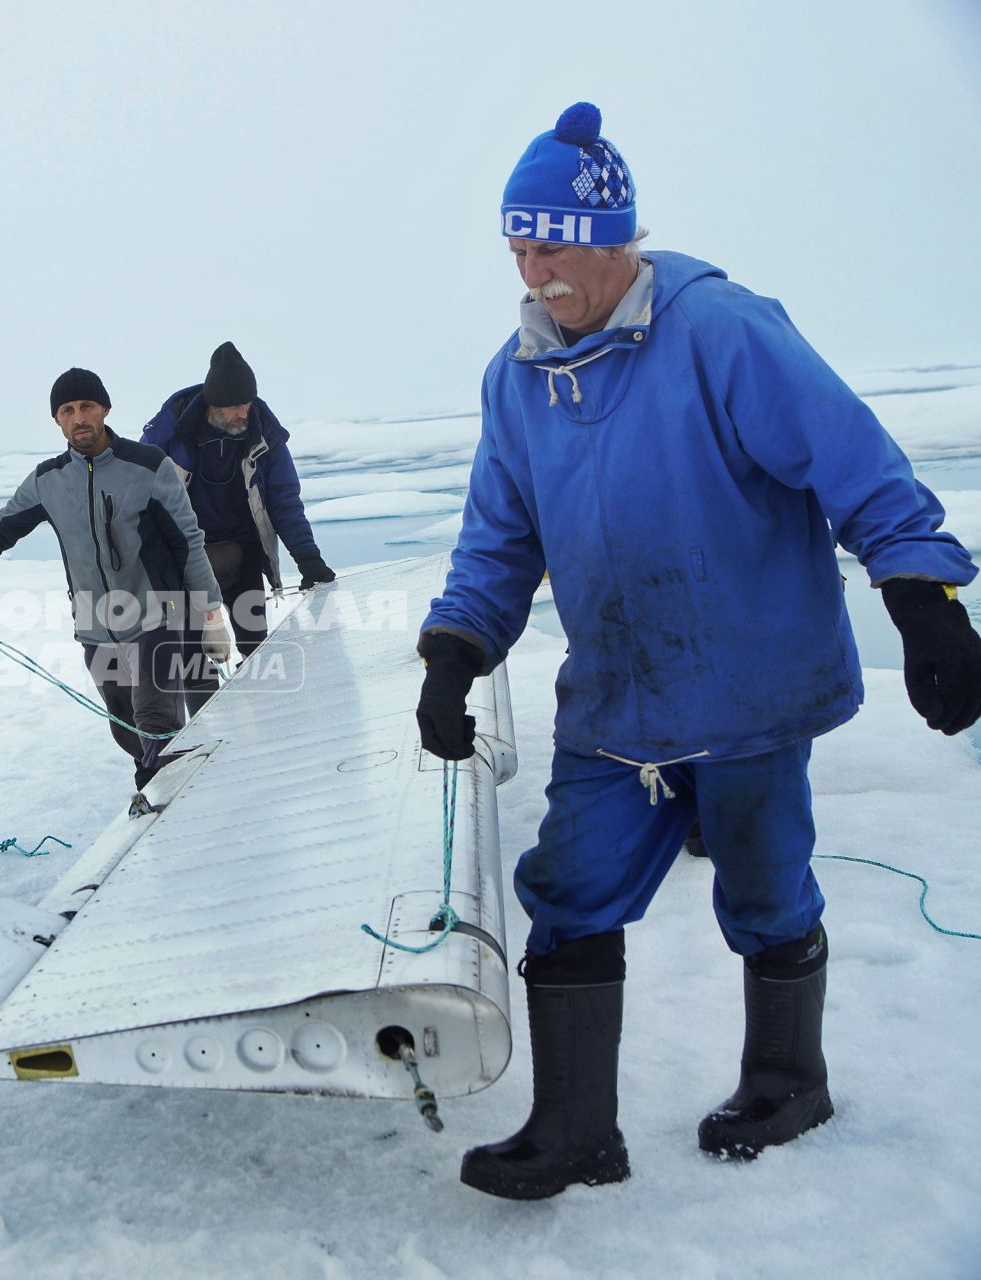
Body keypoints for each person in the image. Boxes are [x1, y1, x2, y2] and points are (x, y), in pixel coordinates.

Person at [416, 104, 981, 1201]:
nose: (534, 275)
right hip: (616, 700)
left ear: (612, 234)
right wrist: (454, 649)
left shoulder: (717, 328)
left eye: (551, 247)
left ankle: (785, 1077)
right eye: (517, 251)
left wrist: (920, 597)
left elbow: (851, 459)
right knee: (567, 889)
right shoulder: (516, 376)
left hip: (746, 687)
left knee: (763, 889)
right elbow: (498, 533)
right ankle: (574, 1129)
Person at [0, 367, 232, 800]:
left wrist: (210, 615)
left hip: (158, 617)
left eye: (87, 407)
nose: (79, 418)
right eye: (68, 410)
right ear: (57, 420)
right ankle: (165, 778)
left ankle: (165, 804)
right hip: (96, 626)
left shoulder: (148, 467)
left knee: (155, 723)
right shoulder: (47, 481)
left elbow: (188, 541)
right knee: (126, 728)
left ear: (105, 409)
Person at [142, 342, 335, 713]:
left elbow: (284, 500)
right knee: (194, 655)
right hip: (186, 561)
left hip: (242, 553)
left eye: (246, 403)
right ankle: (209, 729)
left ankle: (268, 719)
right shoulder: (168, 435)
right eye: (232, 406)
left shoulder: (265, 434)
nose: (241, 412)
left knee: (257, 645)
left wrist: (308, 557)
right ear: (212, 403)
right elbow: (141, 501)